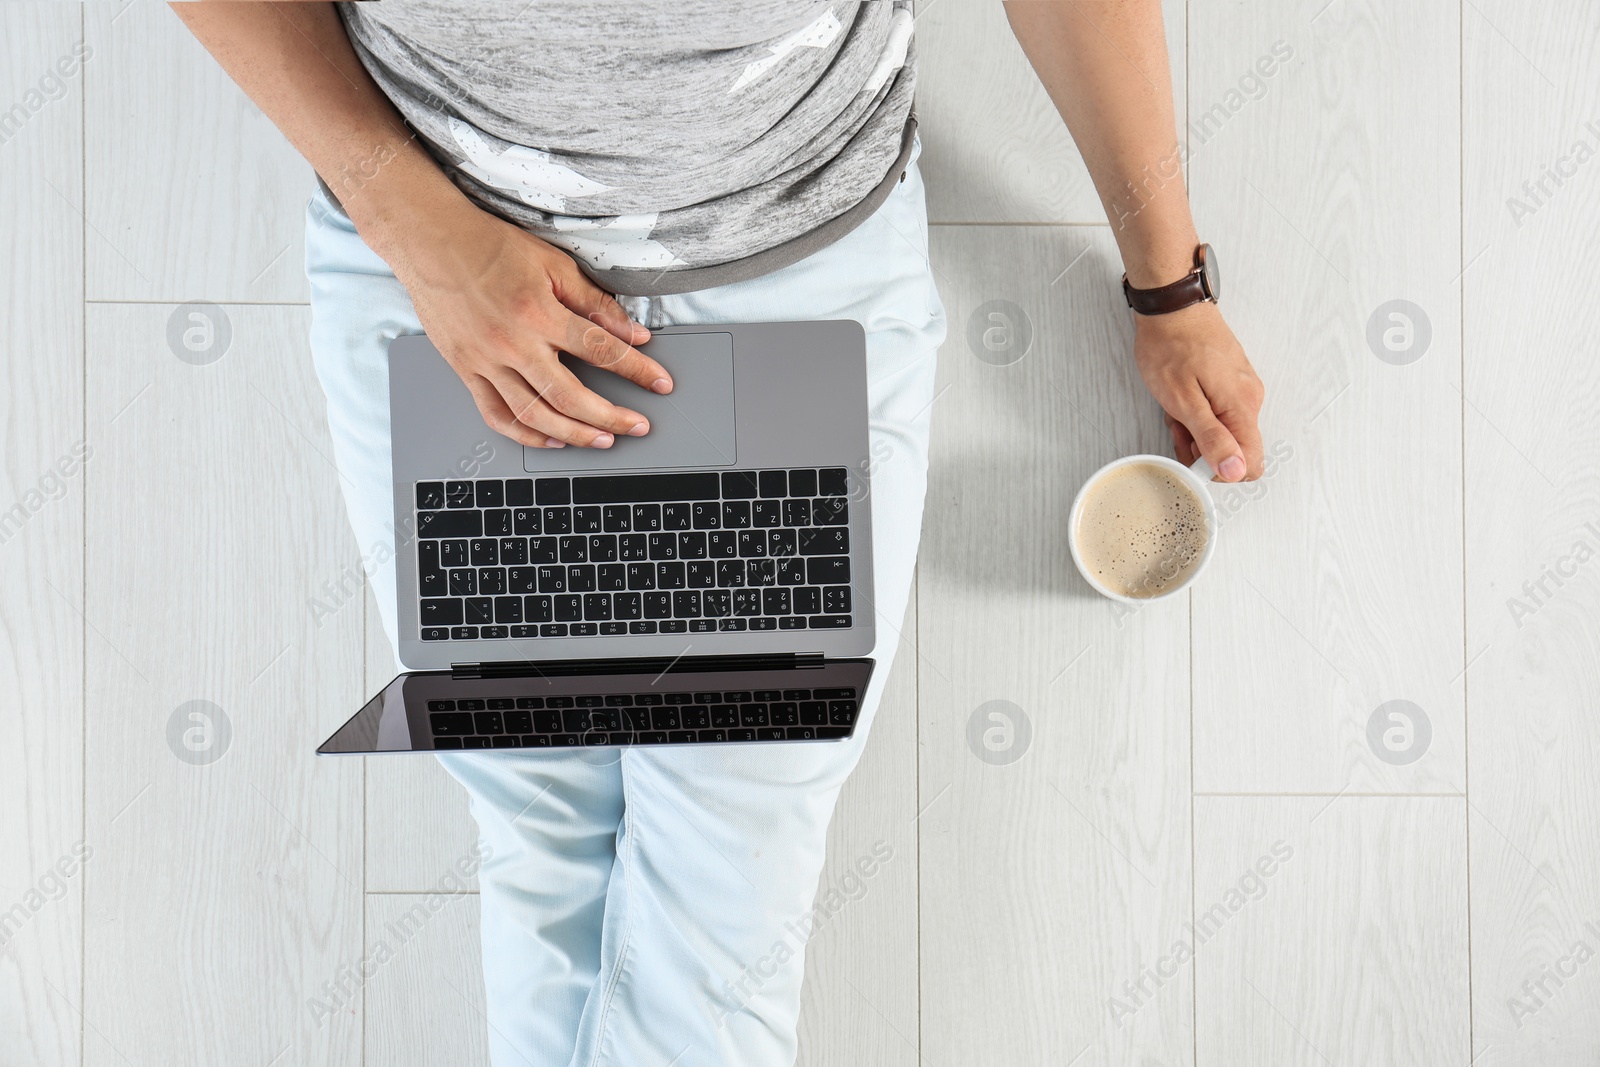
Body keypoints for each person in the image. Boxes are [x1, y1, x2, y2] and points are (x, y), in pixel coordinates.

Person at [175, 3, 1264, 1064]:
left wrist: (1170, 288)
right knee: (545, 832)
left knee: (729, 879)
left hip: (794, 255)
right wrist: (411, 225)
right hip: (445, 264)